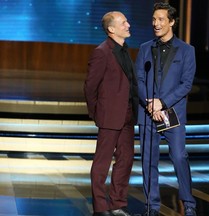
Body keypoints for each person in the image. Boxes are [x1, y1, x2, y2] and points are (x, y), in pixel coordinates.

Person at [135, 2, 197, 216]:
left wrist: (163, 102)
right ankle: (152, 207)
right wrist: (150, 103)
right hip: (148, 114)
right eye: (153, 19)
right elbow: (139, 80)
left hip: (172, 114)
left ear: (171, 22)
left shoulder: (187, 51)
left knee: (179, 157)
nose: (156, 23)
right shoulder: (145, 48)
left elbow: (186, 84)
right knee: (148, 161)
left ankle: (189, 204)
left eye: (161, 19)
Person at [84, 11, 138, 216]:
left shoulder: (124, 50)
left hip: (127, 116)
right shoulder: (102, 52)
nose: (128, 24)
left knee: (125, 160)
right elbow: (90, 86)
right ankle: (100, 207)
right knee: (102, 163)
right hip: (109, 117)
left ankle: (117, 203)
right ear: (111, 29)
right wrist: (97, 112)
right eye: (123, 22)